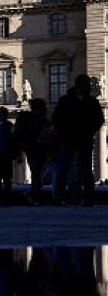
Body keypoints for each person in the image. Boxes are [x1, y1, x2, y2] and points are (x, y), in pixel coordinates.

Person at [52, 74, 105, 205]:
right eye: (85, 84)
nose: (87, 87)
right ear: (78, 85)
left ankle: (85, 197)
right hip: (70, 138)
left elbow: (99, 120)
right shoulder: (69, 100)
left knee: (84, 170)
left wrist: (89, 130)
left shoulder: (89, 101)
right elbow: (56, 118)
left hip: (81, 138)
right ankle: (59, 196)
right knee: (66, 169)